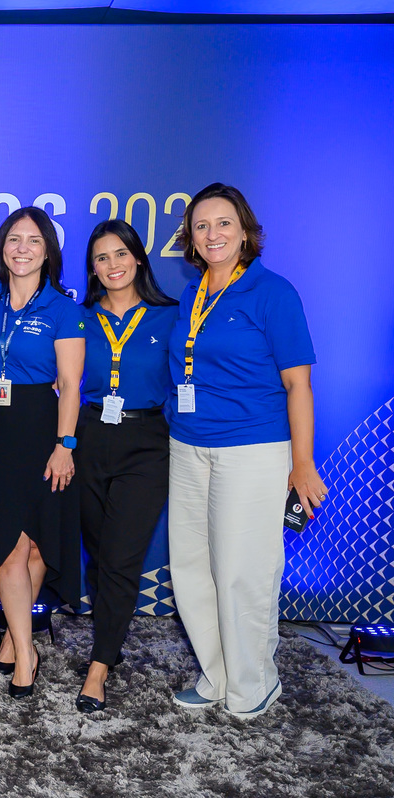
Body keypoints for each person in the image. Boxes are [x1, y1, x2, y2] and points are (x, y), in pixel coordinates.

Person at [167, 183, 324, 719]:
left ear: (245, 232)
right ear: (190, 238)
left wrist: (302, 464)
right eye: (202, 226)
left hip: (252, 448)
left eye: (223, 223)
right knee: (191, 567)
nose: (212, 234)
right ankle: (216, 674)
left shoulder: (273, 292)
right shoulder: (192, 294)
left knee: (242, 570)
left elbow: (298, 385)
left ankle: (254, 682)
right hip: (187, 446)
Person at [0, 206, 85, 699]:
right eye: (13, 239)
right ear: (1, 248)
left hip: (42, 429)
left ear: (48, 251)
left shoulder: (64, 309)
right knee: (8, 545)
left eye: (33, 240)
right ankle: (27, 654)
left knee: (36, 545)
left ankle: (13, 636)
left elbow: (70, 385)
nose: (22, 248)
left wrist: (65, 445)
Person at [74, 220, 179, 713]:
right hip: (90, 436)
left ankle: (98, 668)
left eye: (121, 254)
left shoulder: (172, 316)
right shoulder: (79, 318)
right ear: (92, 268)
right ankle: (109, 636)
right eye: (102, 257)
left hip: (146, 442)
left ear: (138, 257)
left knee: (120, 558)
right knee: (98, 553)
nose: (112, 264)